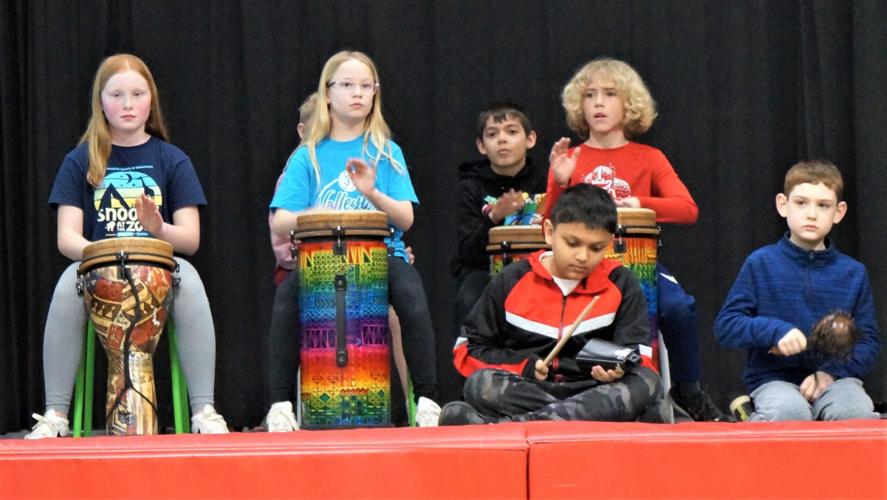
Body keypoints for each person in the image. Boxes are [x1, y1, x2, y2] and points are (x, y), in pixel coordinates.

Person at [26, 53, 229, 438]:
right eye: (117, 95)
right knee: (69, 280)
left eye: (137, 94)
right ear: (100, 101)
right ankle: (56, 415)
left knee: (191, 277)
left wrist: (159, 228)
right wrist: (102, 257)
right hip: (100, 270)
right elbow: (66, 236)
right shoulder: (81, 159)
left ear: (151, 100)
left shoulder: (172, 159)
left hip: (159, 270)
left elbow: (191, 238)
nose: (128, 104)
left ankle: (204, 410)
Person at [544, 57, 730, 421]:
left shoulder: (649, 157)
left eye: (610, 94)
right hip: (580, 268)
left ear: (628, 104)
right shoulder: (569, 158)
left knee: (678, 306)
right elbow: (547, 225)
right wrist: (559, 182)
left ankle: (688, 390)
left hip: (638, 264)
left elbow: (687, 208)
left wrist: (638, 203)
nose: (598, 103)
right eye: (590, 95)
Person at [264, 50, 440, 430]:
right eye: (346, 85)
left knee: (410, 290)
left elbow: (405, 217)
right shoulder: (307, 155)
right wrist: (321, 214)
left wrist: (373, 193)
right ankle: (279, 404)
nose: (357, 93)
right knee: (285, 296)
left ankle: (427, 396)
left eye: (366, 86)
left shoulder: (387, 152)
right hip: (321, 262)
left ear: (375, 93)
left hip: (379, 257)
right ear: (327, 93)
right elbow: (280, 222)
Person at [440, 184, 661, 425]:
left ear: (609, 243)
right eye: (572, 243)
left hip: (593, 390)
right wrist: (525, 365)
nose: (583, 257)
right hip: (533, 390)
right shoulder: (512, 279)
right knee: (480, 384)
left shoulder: (622, 282)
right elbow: (467, 348)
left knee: (646, 381)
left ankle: (513, 427)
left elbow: (638, 355)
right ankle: (568, 421)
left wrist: (617, 370)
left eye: (596, 248)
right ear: (548, 232)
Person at [714, 160, 880, 421]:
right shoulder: (761, 263)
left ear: (838, 212)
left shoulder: (854, 272)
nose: (811, 214)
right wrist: (775, 332)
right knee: (788, 414)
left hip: (838, 381)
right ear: (783, 205)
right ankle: (750, 415)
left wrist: (832, 373)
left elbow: (868, 342)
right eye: (801, 203)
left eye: (823, 205)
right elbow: (727, 326)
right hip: (773, 379)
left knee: (855, 412)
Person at [450, 102, 547, 343]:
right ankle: (472, 373)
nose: (502, 140)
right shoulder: (470, 187)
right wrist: (493, 218)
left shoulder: (546, 181)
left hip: (539, 268)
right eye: (492, 135)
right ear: (482, 146)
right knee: (470, 294)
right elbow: (467, 253)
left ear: (530, 139)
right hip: (484, 270)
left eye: (512, 132)